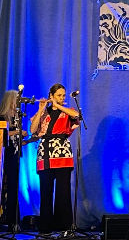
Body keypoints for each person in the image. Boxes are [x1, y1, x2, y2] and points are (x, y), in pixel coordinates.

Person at [29, 83, 80, 233]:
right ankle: (45, 227)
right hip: (45, 152)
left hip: (62, 151)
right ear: (51, 95)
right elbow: (33, 130)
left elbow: (76, 116)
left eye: (63, 95)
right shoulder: (45, 112)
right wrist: (40, 110)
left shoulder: (68, 111)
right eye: (59, 95)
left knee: (62, 192)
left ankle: (63, 226)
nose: (62, 97)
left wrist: (59, 104)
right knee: (46, 190)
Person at [0, 90, 28, 230]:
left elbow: (16, 140)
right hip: (3, 159)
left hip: (14, 158)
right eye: (17, 100)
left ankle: (13, 221)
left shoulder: (17, 120)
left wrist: (29, 139)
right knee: (2, 189)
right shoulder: (1, 119)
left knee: (14, 189)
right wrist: (16, 132)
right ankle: (0, 218)